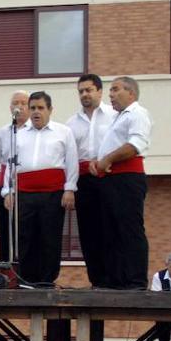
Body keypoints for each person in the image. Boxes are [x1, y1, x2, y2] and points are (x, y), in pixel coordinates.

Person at [0, 91, 77, 284]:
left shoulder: (63, 132)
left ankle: (47, 280)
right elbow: (10, 164)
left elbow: (72, 161)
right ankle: (27, 279)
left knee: (49, 236)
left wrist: (69, 188)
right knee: (26, 237)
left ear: (50, 110)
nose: (36, 112)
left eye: (40, 108)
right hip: (25, 194)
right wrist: (8, 191)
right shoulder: (18, 134)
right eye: (32, 108)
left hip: (52, 193)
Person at [92, 76, 152, 289]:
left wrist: (107, 159)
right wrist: (99, 161)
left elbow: (135, 144)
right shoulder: (117, 118)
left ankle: (135, 279)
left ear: (131, 93)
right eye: (110, 90)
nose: (111, 95)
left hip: (127, 178)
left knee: (129, 228)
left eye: (116, 89)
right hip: (110, 178)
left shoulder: (137, 113)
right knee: (112, 230)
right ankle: (116, 278)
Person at [67, 74, 116, 288]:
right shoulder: (71, 123)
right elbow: (69, 158)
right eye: (81, 91)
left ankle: (114, 279)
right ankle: (96, 280)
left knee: (111, 228)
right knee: (88, 232)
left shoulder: (114, 116)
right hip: (84, 181)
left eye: (88, 90)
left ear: (99, 91)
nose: (85, 94)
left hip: (109, 179)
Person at [0, 91, 28, 262]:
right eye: (15, 103)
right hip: (5, 185)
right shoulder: (3, 133)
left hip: (26, 185)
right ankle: (6, 267)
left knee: (24, 230)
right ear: (10, 108)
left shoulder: (34, 130)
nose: (19, 106)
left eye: (23, 103)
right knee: (5, 230)